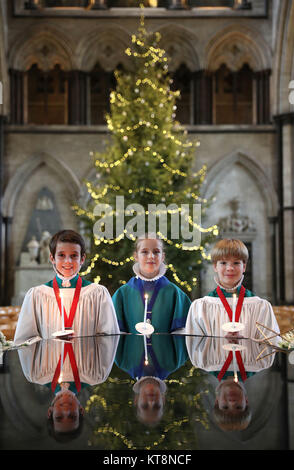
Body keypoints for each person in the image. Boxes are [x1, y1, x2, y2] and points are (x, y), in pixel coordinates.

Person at [14, 229, 120, 345]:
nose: (68, 261)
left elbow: (110, 339)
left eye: (74, 255)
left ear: (82, 259)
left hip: (85, 361)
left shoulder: (98, 293)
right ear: (52, 258)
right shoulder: (37, 295)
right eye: (61, 255)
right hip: (50, 361)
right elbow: (24, 341)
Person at [185, 238, 280, 340]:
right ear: (215, 266)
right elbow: (194, 346)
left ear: (244, 267)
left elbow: (272, 343)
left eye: (236, 263)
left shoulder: (261, 306)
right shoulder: (201, 307)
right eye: (223, 263)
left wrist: (248, 343)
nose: (230, 268)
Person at [112, 233, 191, 334]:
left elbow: (182, 336)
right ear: (136, 256)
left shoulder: (175, 293)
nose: (151, 256)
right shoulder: (122, 294)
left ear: (162, 256)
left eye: (156, 252)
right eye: (144, 252)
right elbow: (116, 335)